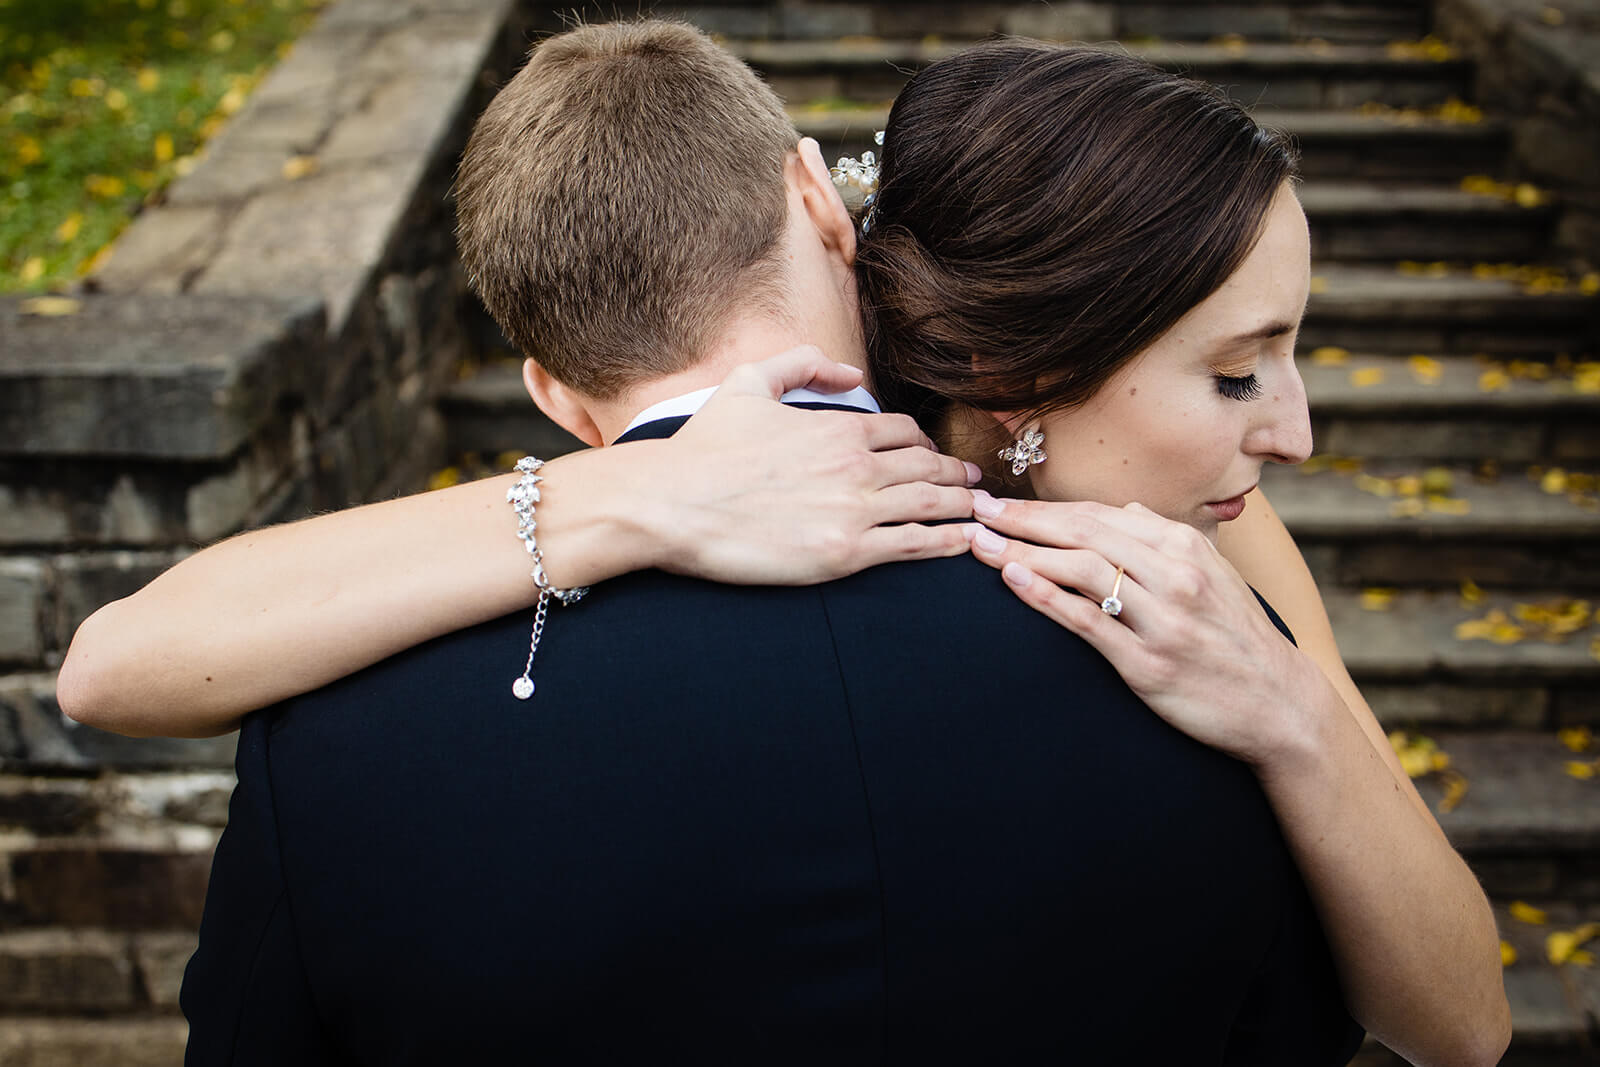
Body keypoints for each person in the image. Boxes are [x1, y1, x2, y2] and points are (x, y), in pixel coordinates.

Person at [65, 21, 1508, 1065]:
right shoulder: (1183, 628)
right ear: (820, 201)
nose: (1291, 432)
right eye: (1246, 371)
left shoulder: (337, 725)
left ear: (555, 398)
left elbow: (113, 678)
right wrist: (647, 501)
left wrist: (615, 500)